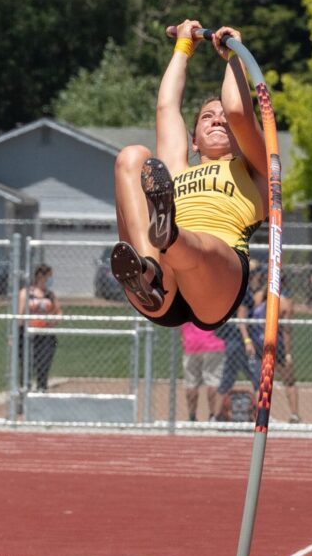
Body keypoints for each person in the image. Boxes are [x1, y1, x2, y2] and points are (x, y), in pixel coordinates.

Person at [111, 20, 268, 334]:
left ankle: (170, 235)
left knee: (201, 245)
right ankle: (146, 268)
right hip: (160, 286)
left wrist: (234, 56)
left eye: (222, 118)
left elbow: (237, 111)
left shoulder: (256, 169)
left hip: (216, 277)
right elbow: (166, 107)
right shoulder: (176, 170)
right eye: (207, 117)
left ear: (238, 136)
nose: (218, 120)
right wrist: (183, 47)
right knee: (132, 157)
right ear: (193, 138)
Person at [212, 264, 260, 422]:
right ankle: (263, 416)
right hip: (239, 341)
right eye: (256, 274)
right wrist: (247, 341)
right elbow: (241, 321)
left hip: (233, 340)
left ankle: (216, 416)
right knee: (257, 379)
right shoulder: (244, 292)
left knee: (228, 378)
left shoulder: (234, 288)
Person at [251, 271, 301, 423]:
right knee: (260, 380)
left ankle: (294, 414)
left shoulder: (284, 302)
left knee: (288, 379)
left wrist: (287, 353)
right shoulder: (260, 298)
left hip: (273, 345)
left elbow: (286, 330)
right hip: (261, 344)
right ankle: (261, 414)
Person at [18, 264, 62, 392]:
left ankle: (42, 389)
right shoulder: (26, 293)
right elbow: (20, 315)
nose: (50, 280)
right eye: (48, 277)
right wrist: (15, 334)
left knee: (44, 364)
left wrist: (54, 320)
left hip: (45, 333)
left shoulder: (50, 295)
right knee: (27, 364)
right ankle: (25, 391)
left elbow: (59, 312)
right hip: (29, 333)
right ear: (40, 277)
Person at [180, 321, 225, 422]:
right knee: (213, 381)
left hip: (191, 342)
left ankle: (192, 416)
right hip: (212, 342)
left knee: (191, 382)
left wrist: (183, 337)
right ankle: (213, 416)